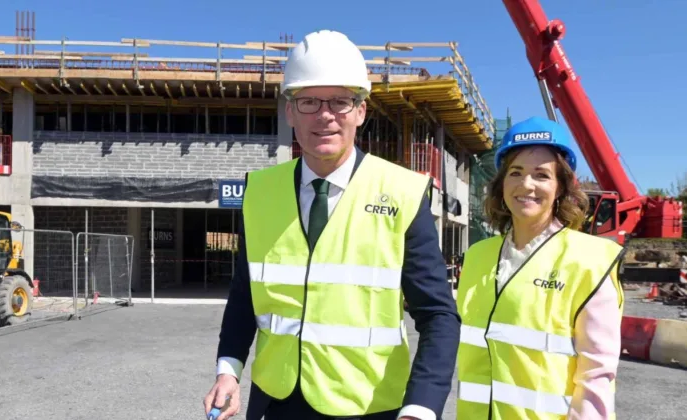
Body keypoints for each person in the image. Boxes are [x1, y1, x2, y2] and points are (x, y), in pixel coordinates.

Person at [203, 29, 460, 420]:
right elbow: (245, 296)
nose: (325, 115)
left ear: (361, 111)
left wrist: (421, 406)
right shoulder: (260, 192)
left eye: (340, 101)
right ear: (289, 111)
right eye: (308, 101)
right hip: (274, 402)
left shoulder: (404, 193)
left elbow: (438, 315)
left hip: (370, 407)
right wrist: (229, 370)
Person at [454, 116, 625, 419]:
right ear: (502, 183)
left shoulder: (589, 261)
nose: (526, 185)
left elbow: (596, 374)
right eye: (515, 173)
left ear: (560, 187)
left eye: (542, 175)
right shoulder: (478, 256)